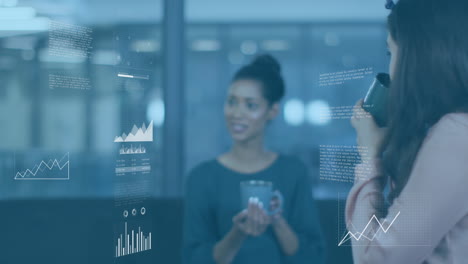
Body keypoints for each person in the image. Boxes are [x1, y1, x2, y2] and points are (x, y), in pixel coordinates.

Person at [347, 0, 468, 263]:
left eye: (391, 54)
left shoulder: (455, 137)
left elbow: (374, 259)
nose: (391, 71)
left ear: (419, 59)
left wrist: (369, 157)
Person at [182, 55, 325, 264]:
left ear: (272, 111)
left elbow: (313, 257)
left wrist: (276, 220)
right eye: (232, 102)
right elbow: (194, 259)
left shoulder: (293, 172)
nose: (236, 113)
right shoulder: (202, 178)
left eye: (250, 105)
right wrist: (237, 234)